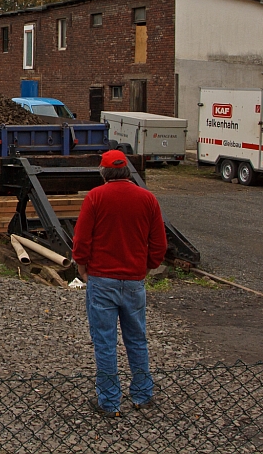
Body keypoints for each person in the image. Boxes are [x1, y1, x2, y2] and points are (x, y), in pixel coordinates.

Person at [72, 149, 167, 417]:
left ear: (103, 173)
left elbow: (82, 239)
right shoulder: (147, 199)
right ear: (126, 170)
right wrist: (147, 266)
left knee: (104, 341)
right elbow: (159, 243)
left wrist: (82, 265)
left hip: (101, 279)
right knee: (137, 339)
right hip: (134, 280)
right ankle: (142, 394)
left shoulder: (96, 197)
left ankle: (109, 401)